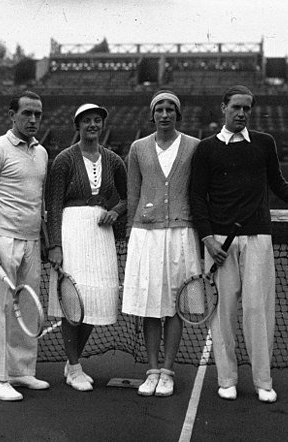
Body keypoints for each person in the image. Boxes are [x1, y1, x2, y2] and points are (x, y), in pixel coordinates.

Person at [189, 85, 288, 403]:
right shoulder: (206, 149)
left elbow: (277, 181)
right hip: (219, 244)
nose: (242, 113)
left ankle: (263, 381)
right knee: (221, 313)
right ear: (223, 108)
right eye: (236, 107)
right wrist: (208, 239)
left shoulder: (264, 143)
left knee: (257, 310)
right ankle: (227, 379)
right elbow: (197, 197)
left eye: (247, 108)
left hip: (258, 237)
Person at [122, 90, 201, 397]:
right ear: (152, 114)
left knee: (175, 306)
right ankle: (152, 370)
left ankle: (167, 372)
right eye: (159, 109)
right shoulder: (138, 148)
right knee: (151, 306)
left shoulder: (194, 146)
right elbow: (133, 193)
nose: (165, 114)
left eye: (170, 109)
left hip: (181, 234)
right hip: (146, 236)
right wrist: (131, 230)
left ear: (177, 114)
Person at [47, 103, 127, 392]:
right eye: (87, 121)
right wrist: (54, 245)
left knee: (93, 302)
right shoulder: (64, 160)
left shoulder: (115, 160)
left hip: (100, 234)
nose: (92, 125)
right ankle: (75, 366)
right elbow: (53, 206)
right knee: (73, 300)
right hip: (71, 231)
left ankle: (72, 364)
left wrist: (116, 210)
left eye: (97, 121)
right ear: (77, 126)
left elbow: (129, 197)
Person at [0, 91, 50, 401]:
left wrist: (45, 239)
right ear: (13, 115)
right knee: (0, 310)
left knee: (27, 309)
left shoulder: (42, 153)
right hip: (3, 241)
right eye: (27, 113)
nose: (33, 119)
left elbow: (39, 200)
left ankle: (20, 372)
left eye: (38, 114)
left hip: (32, 241)